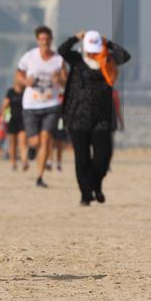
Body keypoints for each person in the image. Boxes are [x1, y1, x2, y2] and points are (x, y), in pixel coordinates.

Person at [58, 30, 130, 205]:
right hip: (77, 117)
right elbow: (62, 50)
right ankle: (85, 195)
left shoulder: (108, 60)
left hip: (102, 117)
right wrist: (76, 38)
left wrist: (108, 43)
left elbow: (125, 56)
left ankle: (96, 185)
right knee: (82, 158)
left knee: (103, 157)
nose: (92, 53)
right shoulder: (77, 60)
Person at [16, 26, 66, 188]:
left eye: (47, 39)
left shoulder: (58, 59)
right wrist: (25, 82)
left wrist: (59, 80)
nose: (45, 42)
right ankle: (31, 148)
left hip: (52, 104)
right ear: (37, 40)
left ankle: (39, 177)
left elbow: (66, 81)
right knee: (35, 141)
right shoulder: (29, 56)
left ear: (51, 40)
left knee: (46, 139)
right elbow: (18, 74)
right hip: (31, 104)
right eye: (42, 39)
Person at [0, 80, 28, 170]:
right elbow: (5, 105)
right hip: (11, 120)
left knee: (22, 142)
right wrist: (3, 117)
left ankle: (24, 161)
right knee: (13, 143)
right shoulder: (10, 92)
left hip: (23, 120)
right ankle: (13, 162)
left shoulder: (26, 91)